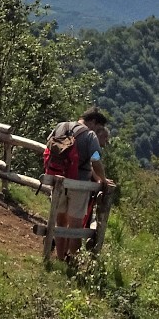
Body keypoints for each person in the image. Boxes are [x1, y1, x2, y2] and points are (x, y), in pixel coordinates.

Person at [46, 107, 111, 258]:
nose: (98, 130)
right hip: (79, 184)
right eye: (99, 127)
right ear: (93, 122)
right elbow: (95, 159)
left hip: (58, 180)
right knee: (75, 225)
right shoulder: (90, 135)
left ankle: (60, 256)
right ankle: (72, 260)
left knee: (60, 221)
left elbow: (49, 145)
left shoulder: (61, 126)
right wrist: (103, 178)